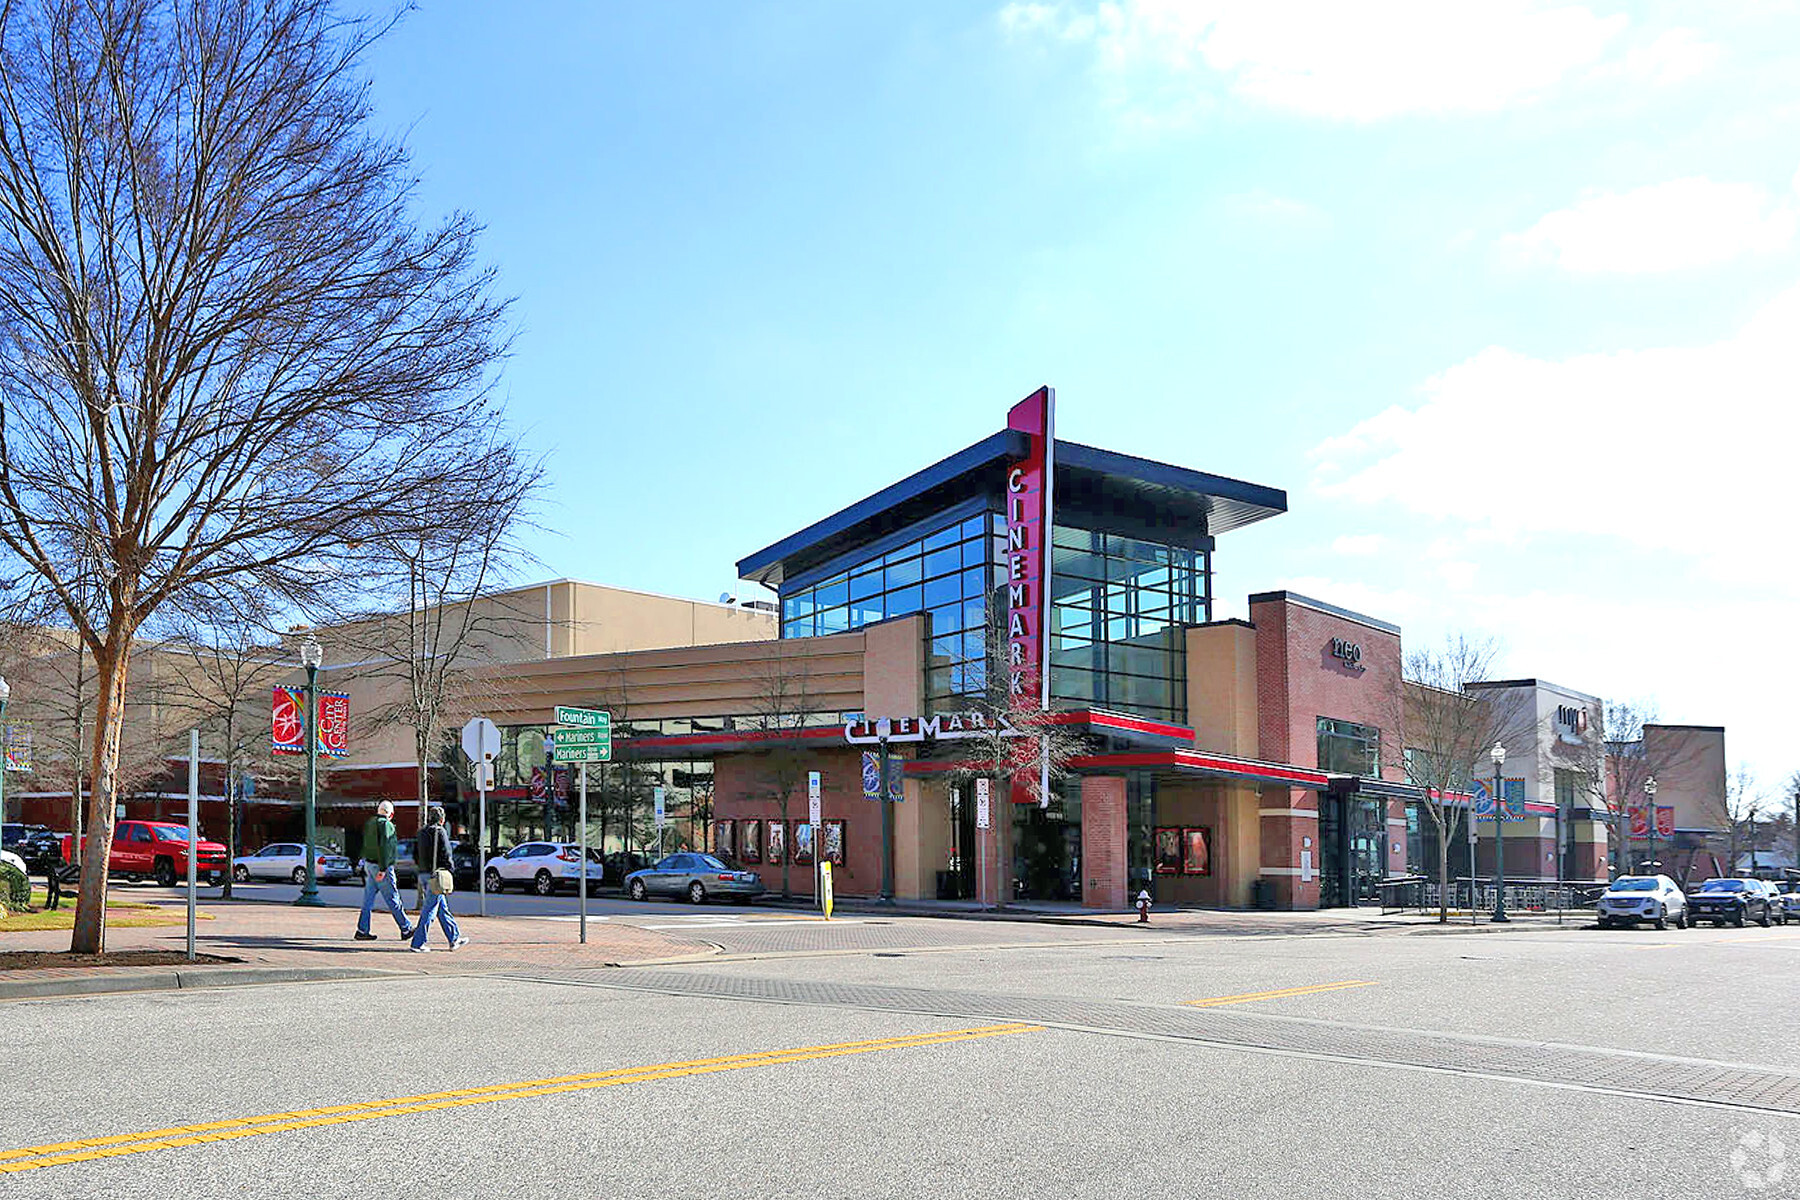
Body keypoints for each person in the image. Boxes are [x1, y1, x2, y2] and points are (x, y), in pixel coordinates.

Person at [355, 800, 413, 942]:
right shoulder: (386, 825)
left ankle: (362, 930)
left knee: (368, 900)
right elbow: (386, 847)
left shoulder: (370, 823)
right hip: (381, 867)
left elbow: (365, 844)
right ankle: (406, 928)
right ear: (391, 814)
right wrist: (383, 868)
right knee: (393, 898)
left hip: (369, 864)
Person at [411, 805, 467, 953]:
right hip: (436, 875)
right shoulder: (440, 831)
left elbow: (415, 853)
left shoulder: (421, 832)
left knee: (442, 908)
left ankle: (454, 938)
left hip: (423, 873)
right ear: (441, 820)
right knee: (429, 910)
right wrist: (451, 870)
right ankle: (418, 943)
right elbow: (447, 853)